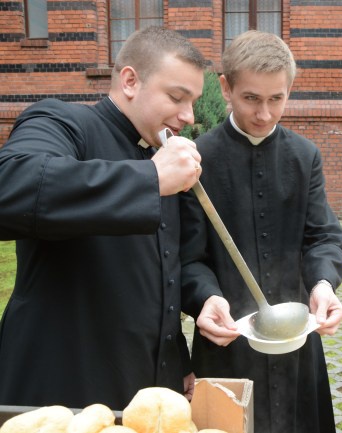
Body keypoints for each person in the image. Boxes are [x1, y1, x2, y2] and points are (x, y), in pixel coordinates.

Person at [0, 26, 222, 409]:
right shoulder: (62, 121)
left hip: (145, 389)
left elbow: (164, 277)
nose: (189, 116)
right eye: (176, 97)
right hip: (63, 388)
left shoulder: (160, 152)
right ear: (131, 81)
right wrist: (151, 179)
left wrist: (178, 362)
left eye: (194, 101)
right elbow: (10, 186)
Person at [181, 31, 342, 433]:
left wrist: (323, 283)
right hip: (228, 341)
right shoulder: (196, 160)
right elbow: (186, 257)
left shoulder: (304, 156)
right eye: (252, 98)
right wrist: (206, 297)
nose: (265, 114)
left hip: (296, 341)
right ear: (226, 87)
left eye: (277, 99)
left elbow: (322, 236)